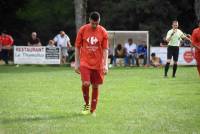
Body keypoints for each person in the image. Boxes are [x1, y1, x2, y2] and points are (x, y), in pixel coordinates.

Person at [74, 11, 108, 116]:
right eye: (93, 23)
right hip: (85, 62)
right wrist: (77, 63)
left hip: (98, 64)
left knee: (95, 86)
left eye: (96, 23)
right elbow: (77, 47)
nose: (94, 25)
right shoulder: (83, 30)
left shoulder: (103, 32)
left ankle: (93, 110)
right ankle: (86, 104)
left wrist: (105, 64)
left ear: (99, 21)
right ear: (89, 20)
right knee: (86, 83)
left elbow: (105, 49)